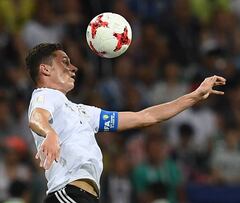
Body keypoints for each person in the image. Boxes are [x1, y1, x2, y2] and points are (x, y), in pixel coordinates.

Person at [25, 43, 226, 203]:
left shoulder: (83, 112)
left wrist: (194, 96)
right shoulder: (46, 95)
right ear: (45, 69)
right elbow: (37, 117)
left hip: (82, 196)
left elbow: (145, 117)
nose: (74, 67)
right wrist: (50, 134)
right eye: (65, 62)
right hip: (68, 193)